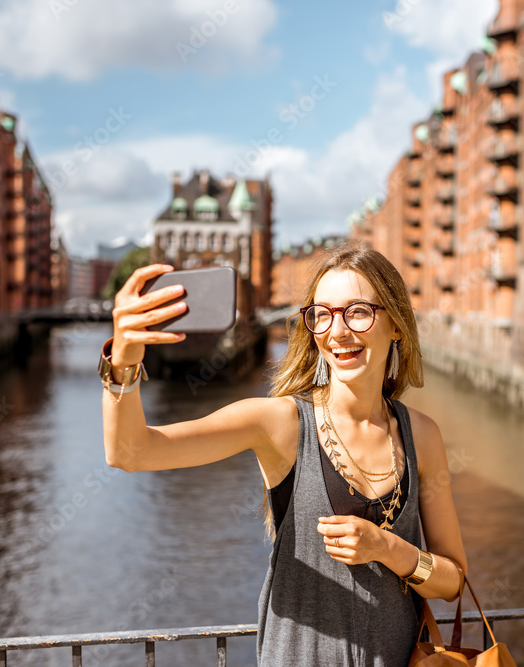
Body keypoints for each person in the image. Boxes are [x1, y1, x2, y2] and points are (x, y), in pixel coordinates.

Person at [100, 241, 467, 666]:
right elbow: (129, 452)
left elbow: (453, 580)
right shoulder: (280, 423)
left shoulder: (421, 434)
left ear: (397, 324)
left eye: (359, 311)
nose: (338, 331)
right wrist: (123, 361)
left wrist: (388, 548)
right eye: (323, 314)